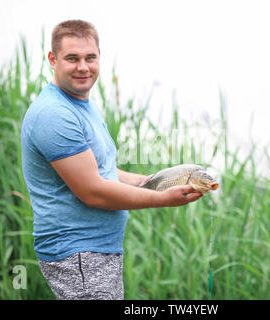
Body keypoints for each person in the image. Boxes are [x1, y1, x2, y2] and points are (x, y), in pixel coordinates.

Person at [20, 19, 203, 300]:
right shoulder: (54, 114)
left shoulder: (82, 104)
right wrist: (164, 199)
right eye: (72, 58)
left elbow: (100, 170)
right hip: (79, 254)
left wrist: (151, 181)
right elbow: (93, 191)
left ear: (99, 58)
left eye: (90, 57)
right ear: (52, 60)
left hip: (97, 251)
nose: (83, 67)